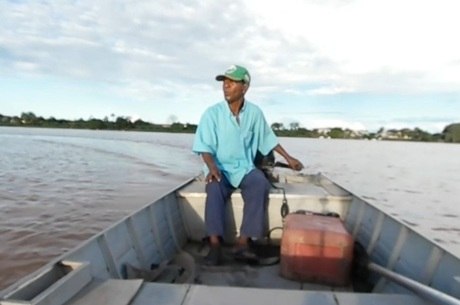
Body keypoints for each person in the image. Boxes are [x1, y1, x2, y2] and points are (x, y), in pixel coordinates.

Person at [192, 64, 303, 265]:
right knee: (214, 187)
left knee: (260, 183)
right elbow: (204, 146)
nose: (226, 86)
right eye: (224, 82)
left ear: (245, 87)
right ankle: (215, 245)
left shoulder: (254, 113)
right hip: (220, 168)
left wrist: (289, 158)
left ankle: (243, 244)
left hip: (244, 168)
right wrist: (211, 167)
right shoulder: (211, 114)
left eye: (232, 82)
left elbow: (268, 139)